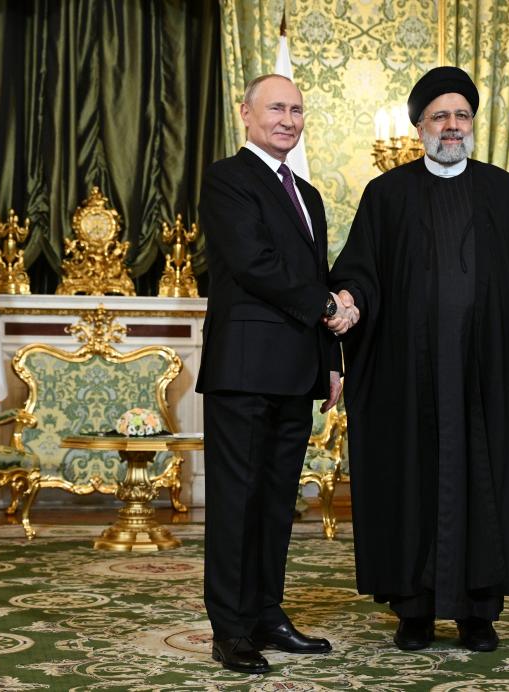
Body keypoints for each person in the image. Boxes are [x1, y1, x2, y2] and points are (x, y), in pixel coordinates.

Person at [329, 66, 509, 653]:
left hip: (487, 376)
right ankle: (413, 612)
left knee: (487, 483)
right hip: (406, 374)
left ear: (473, 124)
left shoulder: (504, 192)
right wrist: (348, 299)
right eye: (440, 116)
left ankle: (479, 614)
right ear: (418, 125)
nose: (452, 126)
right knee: (409, 483)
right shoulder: (387, 196)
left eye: (462, 115)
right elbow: (359, 273)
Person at [196, 74, 357, 675]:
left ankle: (267, 614)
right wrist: (326, 307)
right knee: (236, 502)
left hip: (296, 370)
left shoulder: (309, 194)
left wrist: (331, 360)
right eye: (276, 108)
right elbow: (254, 264)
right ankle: (230, 629)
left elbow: (314, 274)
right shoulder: (227, 179)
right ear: (246, 114)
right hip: (244, 368)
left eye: (296, 109)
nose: (288, 119)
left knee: (274, 503)